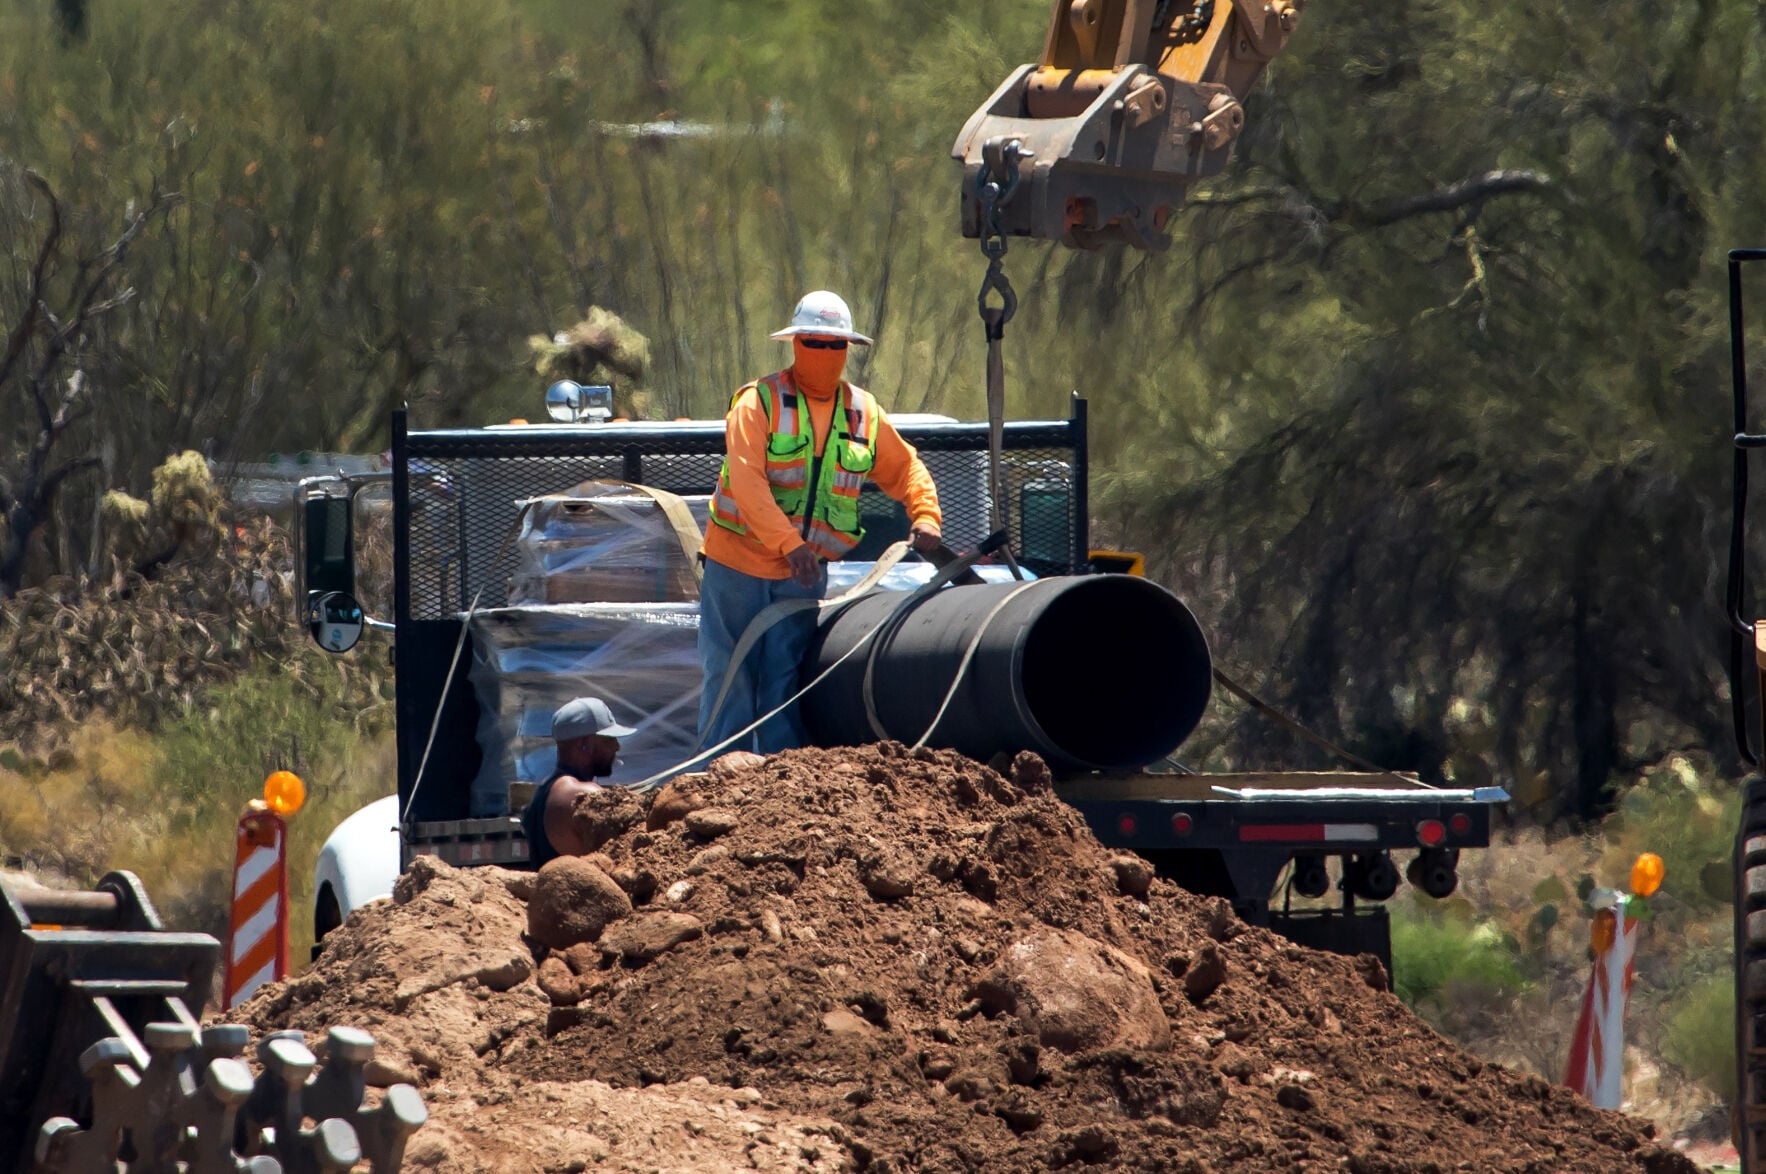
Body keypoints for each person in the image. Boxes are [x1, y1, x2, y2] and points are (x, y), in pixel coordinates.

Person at [698, 289, 942, 755]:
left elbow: (906, 467)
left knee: (784, 682)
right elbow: (747, 483)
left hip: (802, 575)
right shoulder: (759, 403)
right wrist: (790, 544)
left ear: (848, 349)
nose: (826, 354)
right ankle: (717, 783)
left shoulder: (862, 412)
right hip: (738, 565)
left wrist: (926, 513)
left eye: (835, 345)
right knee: (728, 674)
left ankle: (779, 787)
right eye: (815, 342)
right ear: (795, 343)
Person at [520, 697, 635, 867]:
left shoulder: (546, 790)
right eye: (608, 740)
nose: (616, 747)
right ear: (584, 744)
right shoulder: (583, 795)